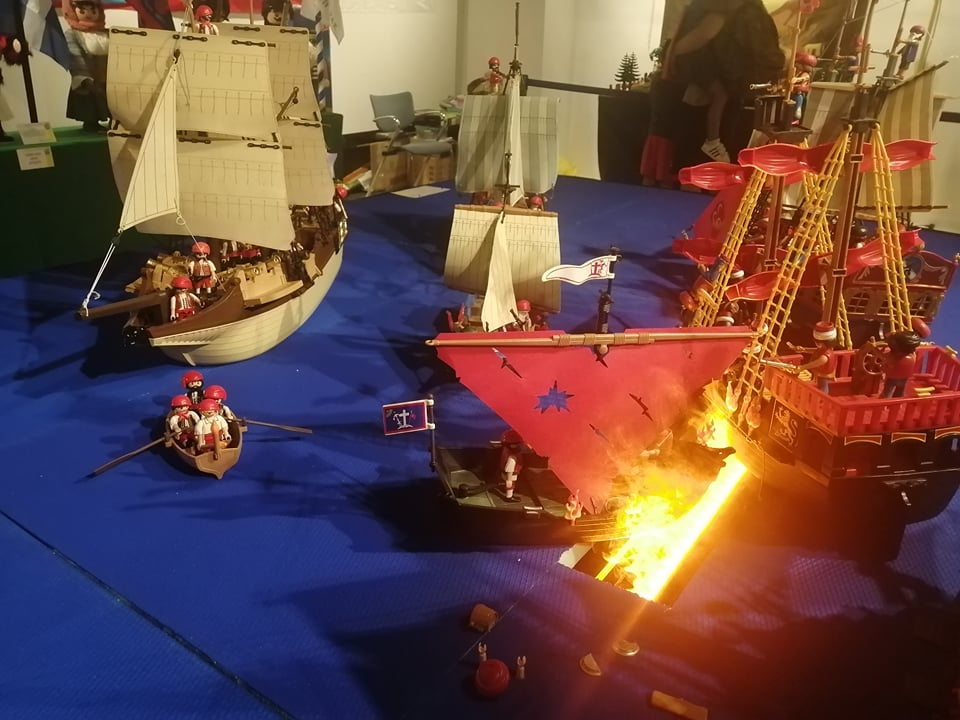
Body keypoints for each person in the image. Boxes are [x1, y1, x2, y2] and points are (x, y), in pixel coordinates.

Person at [665, 0, 782, 163]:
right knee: (719, 97)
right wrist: (677, 51)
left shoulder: (722, 12)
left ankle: (712, 142)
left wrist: (675, 52)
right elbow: (705, 33)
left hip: (710, 79)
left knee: (719, 99)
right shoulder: (724, 13)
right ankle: (712, 141)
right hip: (704, 72)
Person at [62, 0, 110, 133]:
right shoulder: (72, 34)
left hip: (108, 77)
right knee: (89, 100)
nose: (88, 14)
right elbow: (75, 56)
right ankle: (91, 123)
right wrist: (84, 78)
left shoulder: (108, 33)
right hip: (89, 77)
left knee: (113, 101)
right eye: (83, 10)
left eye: (92, 10)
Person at [798, 321, 838, 394]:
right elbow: (816, 351)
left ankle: (823, 397)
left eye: (818, 343)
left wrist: (803, 367)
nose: (816, 344)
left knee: (823, 386)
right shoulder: (823, 349)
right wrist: (804, 349)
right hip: (819, 373)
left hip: (823, 374)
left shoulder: (825, 357)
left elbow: (815, 363)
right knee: (820, 385)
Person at [882, 331, 921, 398]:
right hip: (904, 379)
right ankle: (898, 400)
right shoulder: (912, 356)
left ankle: (885, 400)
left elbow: (884, 364)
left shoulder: (891, 357)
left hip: (892, 378)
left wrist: (883, 370)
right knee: (900, 391)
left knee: (888, 391)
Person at [791, 52, 817, 125]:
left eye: (798, 63)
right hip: (793, 93)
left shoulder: (805, 75)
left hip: (798, 94)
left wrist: (796, 80)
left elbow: (802, 79)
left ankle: (796, 118)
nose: (796, 65)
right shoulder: (798, 73)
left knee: (797, 109)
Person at [500, 429, 524, 502]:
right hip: (511, 474)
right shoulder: (512, 457)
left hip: (508, 472)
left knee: (509, 484)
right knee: (510, 485)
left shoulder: (506, 450)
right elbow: (509, 470)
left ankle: (509, 492)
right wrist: (509, 479)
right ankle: (509, 497)